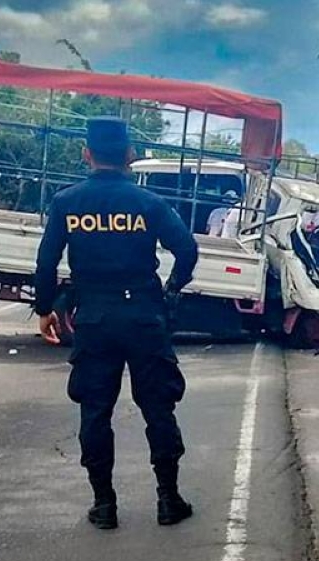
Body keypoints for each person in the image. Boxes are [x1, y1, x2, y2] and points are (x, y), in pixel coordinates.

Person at [35, 117, 200, 530]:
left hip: (93, 317)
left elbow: (45, 261)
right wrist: (172, 288)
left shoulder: (66, 202)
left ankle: (104, 505)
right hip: (144, 315)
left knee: (95, 411)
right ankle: (168, 499)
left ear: (86, 154)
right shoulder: (149, 203)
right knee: (158, 408)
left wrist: (44, 309)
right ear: (130, 156)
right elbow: (187, 249)